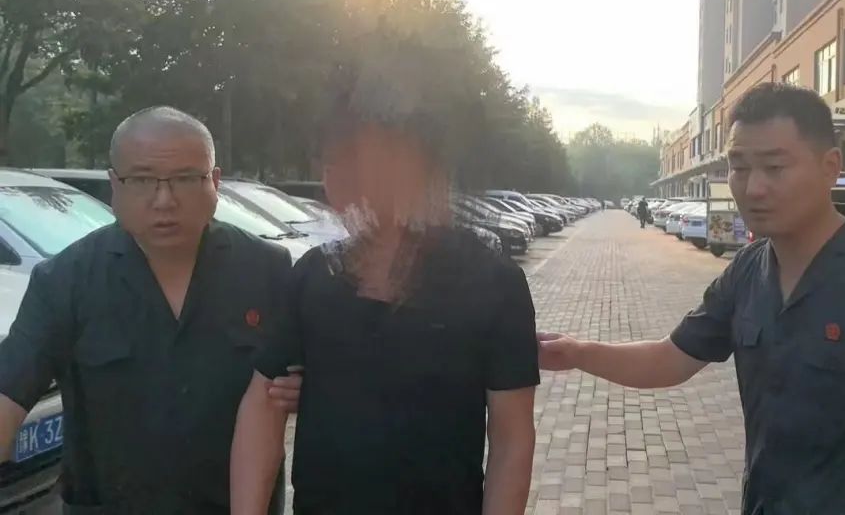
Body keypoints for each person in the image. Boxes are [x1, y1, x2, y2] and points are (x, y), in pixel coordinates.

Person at [538, 83, 845, 515]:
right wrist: (578, 353)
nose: (753, 187)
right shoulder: (748, 272)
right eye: (739, 167)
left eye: (774, 167)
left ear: (829, 167)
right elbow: (671, 358)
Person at [231, 110, 540, 514]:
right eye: (332, 166)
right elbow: (262, 404)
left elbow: (512, 439)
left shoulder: (493, 283)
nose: (340, 184)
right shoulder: (313, 275)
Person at [0, 106, 301, 513]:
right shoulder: (66, 280)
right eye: (141, 180)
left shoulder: (267, 270)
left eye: (185, 179)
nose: (164, 200)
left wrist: (308, 388)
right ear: (114, 185)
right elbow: (9, 393)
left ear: (214, 182)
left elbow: (314, 377)